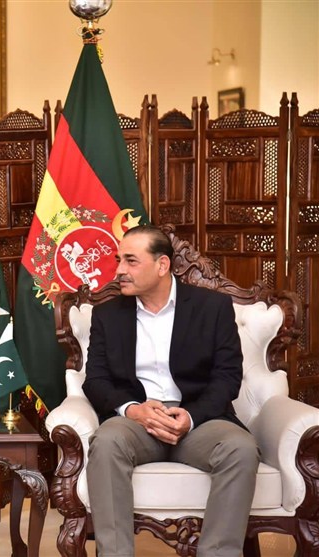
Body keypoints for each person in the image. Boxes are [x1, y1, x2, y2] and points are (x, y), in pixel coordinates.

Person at [82, 225, 259, 557]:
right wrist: (132, 409)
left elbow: (227, 377)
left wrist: (190, 417)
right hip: (136, 422)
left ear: (162, 265)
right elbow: (96, 380)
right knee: (106, 442)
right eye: (119, 260)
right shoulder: (107, 315)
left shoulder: (213, 307)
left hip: (198, 420)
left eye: (131, 261)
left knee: (241, 448)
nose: (119, 271)